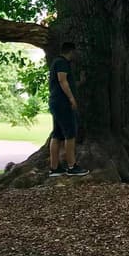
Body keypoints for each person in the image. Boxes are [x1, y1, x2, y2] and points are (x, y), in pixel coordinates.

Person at [47, 41, 89, 177]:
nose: (76, 55)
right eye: (75, 52)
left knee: (57, 134)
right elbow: (62, 80)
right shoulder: (61, 62)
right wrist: (71, 98)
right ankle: (72, 166)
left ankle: (54, 168)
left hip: (56, 102)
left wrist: (80, 82)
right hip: (62, 103)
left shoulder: (58, 63)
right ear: (71, 51)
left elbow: (66, 82)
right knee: (70, 133)